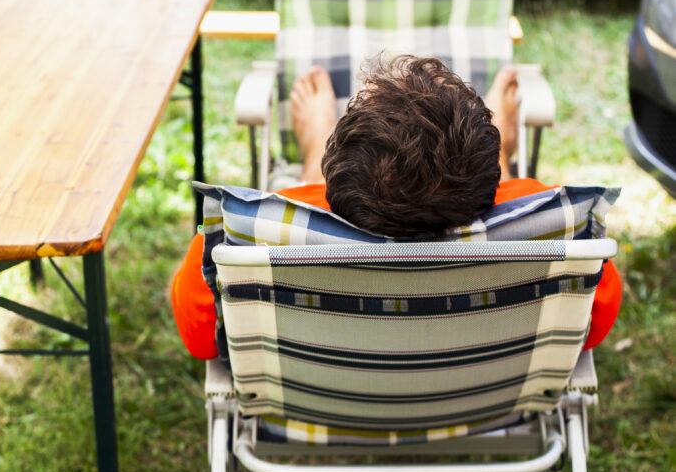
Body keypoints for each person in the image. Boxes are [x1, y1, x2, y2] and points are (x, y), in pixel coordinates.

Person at [172, 54, 621, 359]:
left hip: (320, 405)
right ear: (490, 183)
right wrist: (502, 163)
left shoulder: (256, 231)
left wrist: (311, 168)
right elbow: (590, 326)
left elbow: (199, 336)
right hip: (484, 404)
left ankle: (308, 158)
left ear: (338, 171)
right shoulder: (552, 227)